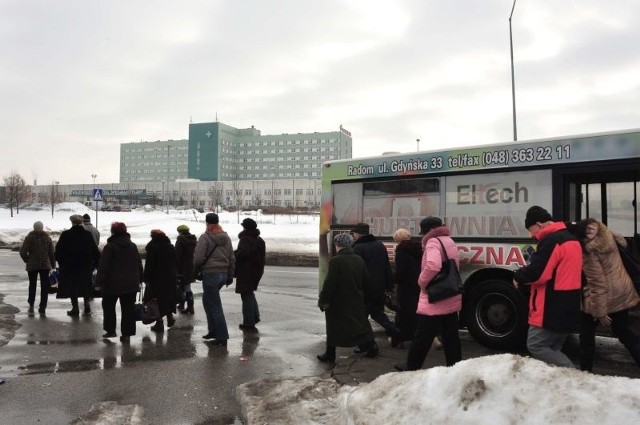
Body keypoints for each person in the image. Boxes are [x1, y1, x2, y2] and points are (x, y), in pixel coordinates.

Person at [512, 206, 582, 368]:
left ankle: (572, 377)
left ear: (539, 224)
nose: (532, 235)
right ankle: (556, 385)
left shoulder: (552, 241)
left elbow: (538, 273)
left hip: (551, 306)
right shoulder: (571, 238)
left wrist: (518, 276)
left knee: (537, 345)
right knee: (553, 348)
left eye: (532, 230)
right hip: (569, 303)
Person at [395, 217, 462, 371]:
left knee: (422, 335)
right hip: (450, 293)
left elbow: (433, 266)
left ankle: (411, 365)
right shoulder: (448, 240)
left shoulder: (433, 242)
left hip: (435, 296)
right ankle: (456, 366)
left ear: (429, 230)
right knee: (450, 335)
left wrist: (422, 282)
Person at [572, 218, 640, 371]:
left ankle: (585, 370)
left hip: (603, 297)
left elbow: (597, 284)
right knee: (623, 332)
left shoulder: (589, 250)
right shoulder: (608, 234)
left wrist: (601, 312)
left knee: (586, 333)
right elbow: (624, 243)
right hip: (622, 290)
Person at [317, 232, 379, 362]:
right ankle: (371, 346)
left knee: (333, 327)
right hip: (356, 298)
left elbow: (330, 284)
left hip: (338, 302)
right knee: (360, 324)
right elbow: (367, 281)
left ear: (337, 244)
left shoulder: (336, 261)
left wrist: (323, 301)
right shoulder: (358, 259)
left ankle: (330, 353)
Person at [350, 222, 401, 348]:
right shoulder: (379, 245)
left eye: (354, 233)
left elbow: (356, 271)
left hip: (365, 289)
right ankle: (396, 332)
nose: (353, 236)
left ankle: (366, 345)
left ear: (357, 233)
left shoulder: (357, 248)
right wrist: (389, 286)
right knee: (377, 314)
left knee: (361, 318)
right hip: (379, 287)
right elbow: (386, 267)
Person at [95, 222, 143, 343]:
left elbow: (103, 266)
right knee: (128, 309)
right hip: (131, 283)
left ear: (113, 232)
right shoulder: (132, 246)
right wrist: (140, 280)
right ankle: (126, 334)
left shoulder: (110, 246)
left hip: (112, 283)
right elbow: (138, 264)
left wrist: (99, 282)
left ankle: (111, 330)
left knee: (109, 306)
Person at [193, 213, 235, 346]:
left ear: (207, 223)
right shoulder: (226, 237)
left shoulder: (205, 237)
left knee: (215, 305)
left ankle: (222, 336)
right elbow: (232, 258)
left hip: (211, 274)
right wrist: (229, 275)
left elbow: (198, 258)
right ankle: (213, 330)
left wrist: (195, 266)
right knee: (207, 300)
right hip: (222, 273)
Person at [55, 214, 100, 317]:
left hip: (70, 266)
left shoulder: (66, 234)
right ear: (81, 223)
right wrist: (97, 263)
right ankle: (86, 303)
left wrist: (61, 262)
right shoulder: (87, 235)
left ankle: (75, 308)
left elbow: (58, 251)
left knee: (72, 286)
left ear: (72, 222)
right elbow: (94, 250)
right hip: (86, 265)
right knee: (85, 284)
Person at [392, 228, 422, 347]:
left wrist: (393, 279)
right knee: (415, 311)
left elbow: (401, 272)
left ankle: (400, 339)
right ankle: (417, 337)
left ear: (398, 240)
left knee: (403, 313)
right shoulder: (418, 248)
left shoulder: (401, 251)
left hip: (406, 286)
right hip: (418, 284)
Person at [234, 218, 266, 331]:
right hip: (256, 271)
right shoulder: (259, 240)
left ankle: (249, 323)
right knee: (249, 293)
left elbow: (243, 254)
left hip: (246, 271)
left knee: (246, 295)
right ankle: (254, 317)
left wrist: (234, 254)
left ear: (245, 227)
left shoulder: (246, 239)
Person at [143, 229, 178, 332]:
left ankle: (159, 323)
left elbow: (149, 265)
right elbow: (175, 262)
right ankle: (170, 317)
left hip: (157, 278)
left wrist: (146, 278)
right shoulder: (170, 246)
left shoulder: (152, 247)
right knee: (168, 297)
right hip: (170, 277)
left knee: (155, 300)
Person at [19, 221, 55, 315]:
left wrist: (28, 260)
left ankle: (31, 302)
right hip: (45, 265)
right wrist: (53, 265)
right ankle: (43, 306)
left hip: (32, 265)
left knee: (32, 284)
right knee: (44, 286)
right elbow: (52, 253)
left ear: (34, 227)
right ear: (42, 228)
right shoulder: (47, 238)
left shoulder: (29, 238)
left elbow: (22, 252)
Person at [175, 224, 197, 314]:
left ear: (180, 232)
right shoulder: (194, 241)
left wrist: (176, 268)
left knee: (182, 287)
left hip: (182, 268)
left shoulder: (180, 240)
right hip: (192, 267)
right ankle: (189, 306)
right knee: (187, 287)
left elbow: (177, 256)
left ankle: (184, 305)